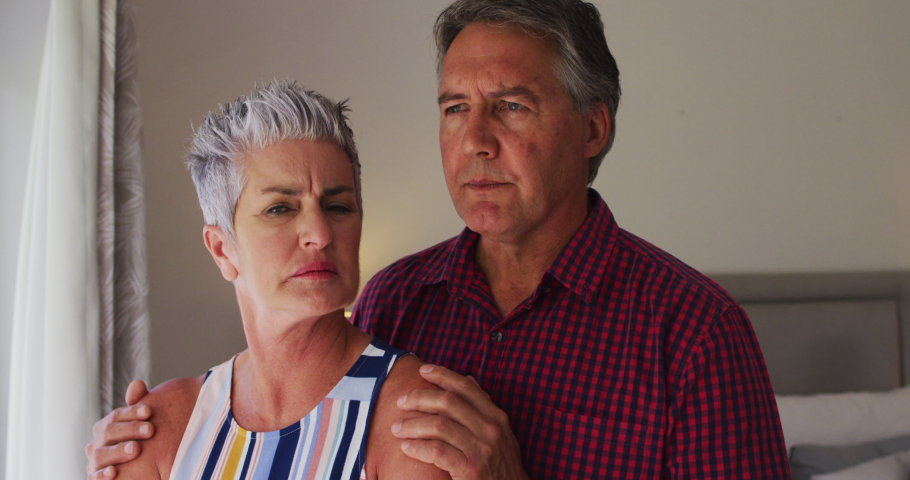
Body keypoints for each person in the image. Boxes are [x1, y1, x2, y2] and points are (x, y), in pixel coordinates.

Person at [86, 1, 791, 478]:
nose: (475, 141)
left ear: (593, 129)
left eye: (511, 106)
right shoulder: (396, 299)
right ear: (222, 246)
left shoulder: (694, 332)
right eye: (456, 108)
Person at [97, 81, 450, 480]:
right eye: (280, 209)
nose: (319, 232)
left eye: (338, 206)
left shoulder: (413, 419)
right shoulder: (163, 425)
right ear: (221, 249)